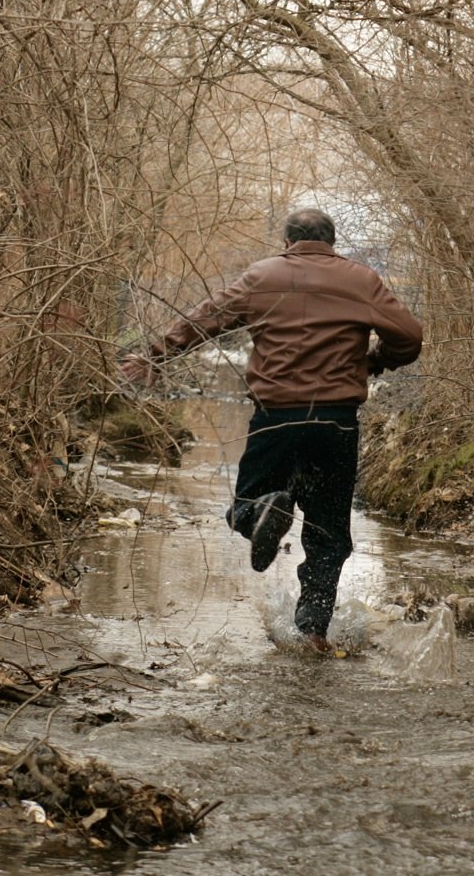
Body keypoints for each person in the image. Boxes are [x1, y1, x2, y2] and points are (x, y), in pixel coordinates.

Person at [119, 208, 423, 650]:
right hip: (335, 422)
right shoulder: (362, 280)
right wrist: (375, 360)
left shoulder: (263, 276)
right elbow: (410, 336)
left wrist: (154, 356)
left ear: (287, 242)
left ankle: (265, 509)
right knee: (328, 533)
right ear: (332, 242)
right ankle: (313, 629)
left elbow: (206, 318)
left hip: (276, 416)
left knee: (245, 504)